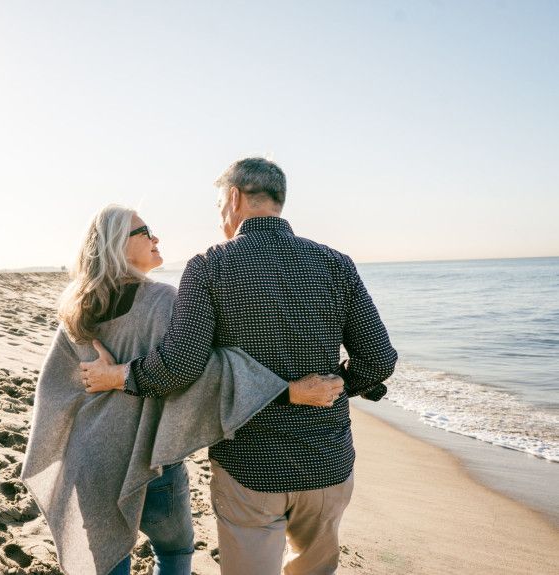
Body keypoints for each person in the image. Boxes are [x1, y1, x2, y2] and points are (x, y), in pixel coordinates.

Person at [81, 158, 398, 575]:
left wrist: (120, 376)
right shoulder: (336, 263)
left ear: (233, 198)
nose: (219, 219)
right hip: (328, 461)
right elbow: (379, 360)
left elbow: (180, 366)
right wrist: (338, 383)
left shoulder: (210, 265)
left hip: (250, 465)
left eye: (217, 206)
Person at [21, 204, 342, 575]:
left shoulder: (76, 307)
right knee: (174, 553)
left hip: (90, 461)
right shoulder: (162, 301)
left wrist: (100, 389)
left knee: (107, 562)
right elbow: (200, 372)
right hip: (152, 459)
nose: (155, 237)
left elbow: (54, 390)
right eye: (145, 232)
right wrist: (287, 390)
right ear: (116, 246)